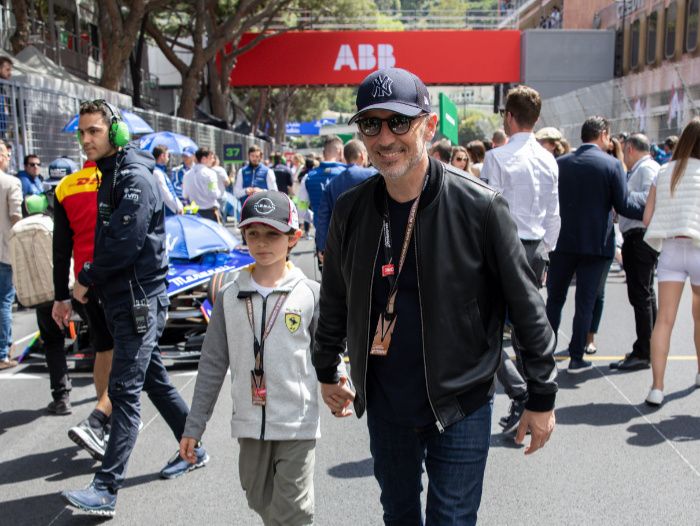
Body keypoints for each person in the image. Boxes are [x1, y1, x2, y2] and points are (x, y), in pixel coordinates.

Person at [312, 67, 557, 525]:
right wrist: (327, 366)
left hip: (460, 399)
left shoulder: (481, 207)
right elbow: (335, 298)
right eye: (371, 124)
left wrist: (541, 395)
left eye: (399, 122)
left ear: (427, 124)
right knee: (399, 517)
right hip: (385, 401)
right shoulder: (352, 210)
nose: (385, 137)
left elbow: (527, 308)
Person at [62, 100, 207, 517]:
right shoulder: (109, 174)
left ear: (117, 133)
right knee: (155, 380)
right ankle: (195, 449)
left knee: (123, 391)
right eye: (82, 133)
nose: (86, 140)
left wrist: (86, 277)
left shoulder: (133, 178)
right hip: (126, 298)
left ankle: (105, 490)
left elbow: (124, 245)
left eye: (94, 131)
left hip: (139, 299)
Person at [180, 191, 336, 524]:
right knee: (259, 498)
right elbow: (211, 364)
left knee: (295, 510)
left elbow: (327, 351)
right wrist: (194, 426)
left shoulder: (309, 293)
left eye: (272, 234)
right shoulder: (229, 295)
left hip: (298, 422)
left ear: (293, 237)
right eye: (253, 234)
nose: (262, 243)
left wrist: (340, 383)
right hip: (249, 424)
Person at [481, 84, 560, 434]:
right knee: (529, 332)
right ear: (536, 118)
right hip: (535, 248)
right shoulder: (548, 159)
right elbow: (555, 215)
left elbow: (485, 212)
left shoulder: (496, 157)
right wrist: (545, 253)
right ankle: (531, 399)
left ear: (509, 117)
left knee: (488, 332)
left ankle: (519, 392)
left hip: (502, 248)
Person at [546, 116, 645, 374]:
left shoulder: (560, 163)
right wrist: (652, 207)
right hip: (596, 244)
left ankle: (543, 354)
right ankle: (577, 356)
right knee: (585, 301)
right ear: (602, 134)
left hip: (562, 241)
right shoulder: (612, 165)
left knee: (554, 298)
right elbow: (624, 205)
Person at [49, 158, 115, 457]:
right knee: (132, 357)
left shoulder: (66, 186)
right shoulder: (121, 179)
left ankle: (103, 419)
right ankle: (99, 423)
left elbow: (60, 250)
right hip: (117, 279)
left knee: (103, 348)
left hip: (82, 286)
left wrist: (61, 297)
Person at [643, 118, 700, 405]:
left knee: (664, 320)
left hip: (671, 250)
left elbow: (647, 218)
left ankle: (657, 387)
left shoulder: (664, 172)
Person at [608, 134, 660, 371]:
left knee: (641, 296)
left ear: (629, 148)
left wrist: (622, 196)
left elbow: (651, 196)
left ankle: (644, 350)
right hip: (639, 237)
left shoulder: (646, 168)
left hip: (640, 237)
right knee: (645, 295)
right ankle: (649, 346)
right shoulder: (643, 168)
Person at [315, 139, 377, 259]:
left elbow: (323, 217)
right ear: (362, 155)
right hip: (372, 241)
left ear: (344, 157)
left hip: (343, 246)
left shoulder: (332, 184)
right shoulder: (374, 176)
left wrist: (322, 246)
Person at [0, 141, 22, 369]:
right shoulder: (10, 182)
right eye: (6, 154)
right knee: (5, 302)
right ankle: (2, 352)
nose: (8, 158)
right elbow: (16, 216)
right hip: (4, 251)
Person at [296, 136, 345, 231]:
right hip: (345, 237)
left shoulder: (308, 177)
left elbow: (301, 210)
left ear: (323, 153)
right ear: (340, 152)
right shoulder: (348, 174)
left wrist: (315, 219)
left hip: (321, 236)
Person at [234, 145, 277, 213]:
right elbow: (236, 193)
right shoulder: (242, 171)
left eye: (257, 156)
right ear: (249, 156)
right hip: (246, 210)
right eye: (252, 156)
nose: (255, 158)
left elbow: (274, 192)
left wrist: (261, 191)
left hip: (264, 210)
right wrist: (245, 191)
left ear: (260, 157)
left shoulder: (268, 171)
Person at [183, 147, 222, 223]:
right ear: (204, 159)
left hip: (194, 212)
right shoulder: (210, 174)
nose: (213, 160)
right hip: (209, 212)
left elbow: (185, 195)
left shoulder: (187, 175)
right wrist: (219, 192)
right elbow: (214, 194)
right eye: (211, 158)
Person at [152, 145, 183, 215]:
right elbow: (166, 194)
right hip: (166, 212)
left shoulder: (159, 171)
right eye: (168, 155)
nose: (168, 158)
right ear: (162, 156)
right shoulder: (157, 173)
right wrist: (178, 208)